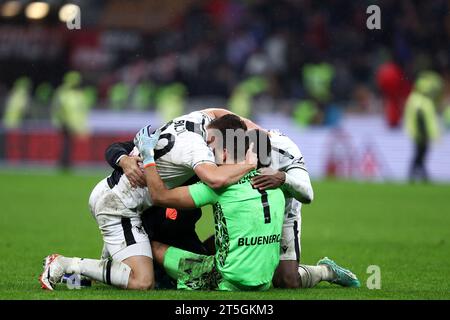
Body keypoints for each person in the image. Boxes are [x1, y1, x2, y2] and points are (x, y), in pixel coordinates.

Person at [109, 110, 360, 289]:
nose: (207, 149)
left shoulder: (282, 150)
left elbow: (307, 193)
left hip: (285, 202)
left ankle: (325, 270)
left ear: (227, 147)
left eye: (211, 143)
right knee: (249, 256)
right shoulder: (224, 162)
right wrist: (124, 157)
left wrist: (282, 178)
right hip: (255, 210)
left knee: (287, 280)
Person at [39, 110, 255, 291]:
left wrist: (260, 133)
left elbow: (221, 112)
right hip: (120, 207)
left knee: (126, 274)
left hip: (127, 201)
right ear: (215, 140)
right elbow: (215, 179)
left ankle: (77, 280)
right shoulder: (197, 148)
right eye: (224, 151)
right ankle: (63, 264)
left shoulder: (198, 120)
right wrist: (250, 164)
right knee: (142, 281)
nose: (223, 157)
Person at [134, 126, 286, 291]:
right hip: (264, 282)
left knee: (152, 246)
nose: (211, 156)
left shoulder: (219, 187)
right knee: (231, 234)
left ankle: (106, 269)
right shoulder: (276, 185)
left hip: (228, 279)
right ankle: (319, 271)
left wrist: (148, 156)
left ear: (226, 153)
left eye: (214, 150)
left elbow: (159, 196)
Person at [404, 71, 442, 182]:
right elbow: (422, 119)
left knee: (420, 154)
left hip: (417, 132)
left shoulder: (413, 99)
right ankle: (417, 174)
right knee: (420, 153)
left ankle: (419, 174)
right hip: (421, 133)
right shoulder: (422, 101)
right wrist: (426, 133)